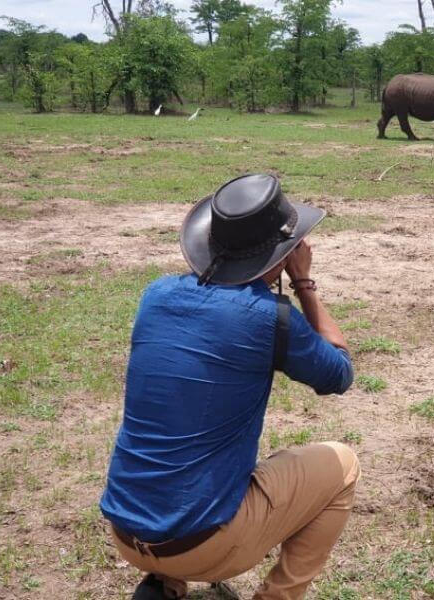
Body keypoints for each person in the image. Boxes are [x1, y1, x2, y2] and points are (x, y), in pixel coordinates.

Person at [99, 174, 360, 600]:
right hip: (204, 544)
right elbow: (340, 373)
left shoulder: (156, 294)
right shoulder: (270, 317)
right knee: (344, 465)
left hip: (124, 534)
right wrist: (304, 284)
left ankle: (162, 586)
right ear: (281, 254)